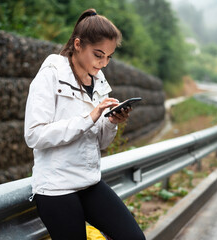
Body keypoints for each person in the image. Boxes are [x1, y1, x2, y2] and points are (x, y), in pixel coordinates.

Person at [24, 8, 145, 240]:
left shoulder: (98, 80)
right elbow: (34, 135)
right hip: (56, 187)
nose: (103, 63)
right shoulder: (50, 75)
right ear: (78, 44)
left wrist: (110, 122)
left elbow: (100, 143)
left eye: (108, 57)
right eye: (98, 55)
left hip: (89, 182)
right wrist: (89, 117)